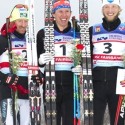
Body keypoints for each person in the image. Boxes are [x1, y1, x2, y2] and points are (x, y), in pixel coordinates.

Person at [37, 0, 80, 125]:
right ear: (54, 14)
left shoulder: (76, 34)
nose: (64, 15)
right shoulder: (43, 33)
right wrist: (40, 61)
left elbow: (84, 58)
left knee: (68, 121)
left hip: (71, 84)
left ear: (70, 13)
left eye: (67, 11)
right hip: (51, 83)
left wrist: (81, 67)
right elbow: (37, 62)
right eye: (60, 11)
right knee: (52, 121)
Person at [0, 4, 43, 125]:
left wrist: (40, 75)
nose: (23, 25)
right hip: (8, 90)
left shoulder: (31, 41)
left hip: (27, 90)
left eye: (26, 21)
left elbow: (36, 65)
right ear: (13, 20)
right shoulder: (3, 39)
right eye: (20, 21)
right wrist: (5, 77)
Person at [89, 0, 125, 125]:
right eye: (107, 7)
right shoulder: (93, 30)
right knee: (95, 119)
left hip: (119, 81)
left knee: (118, 120)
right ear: (102, 9)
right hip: (97, 81)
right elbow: (84, 55)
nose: (110, 10)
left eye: (114, 7)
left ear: (119, 9)